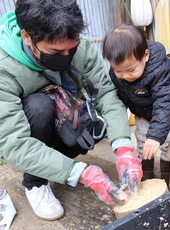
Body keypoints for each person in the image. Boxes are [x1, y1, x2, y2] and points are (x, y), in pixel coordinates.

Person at [0, 0, 142, 221]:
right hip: (33, 126)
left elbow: (105, 93)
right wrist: (82, 173)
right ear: (27, 37)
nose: (67, 55)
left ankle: (59, 163)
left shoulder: (80, 47)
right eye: (56, 51)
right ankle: (35, 182)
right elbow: (14, 143)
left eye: (72, 48)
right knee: (39, 106)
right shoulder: (4, 68)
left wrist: (123, 147)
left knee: (97, 124)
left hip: (66, 115)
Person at [102, 24, 170, 185]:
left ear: (145, 55)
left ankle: (168, 179)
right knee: (142, 142)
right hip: (142, 112)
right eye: (118, 71)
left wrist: (155, 136)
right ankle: (146, 176)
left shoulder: (162, 69)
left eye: (131, 70)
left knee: (169, 144)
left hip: (169, 112)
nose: (125, 76)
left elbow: (165, 102)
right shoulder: (118, 73)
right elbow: (116, 97)